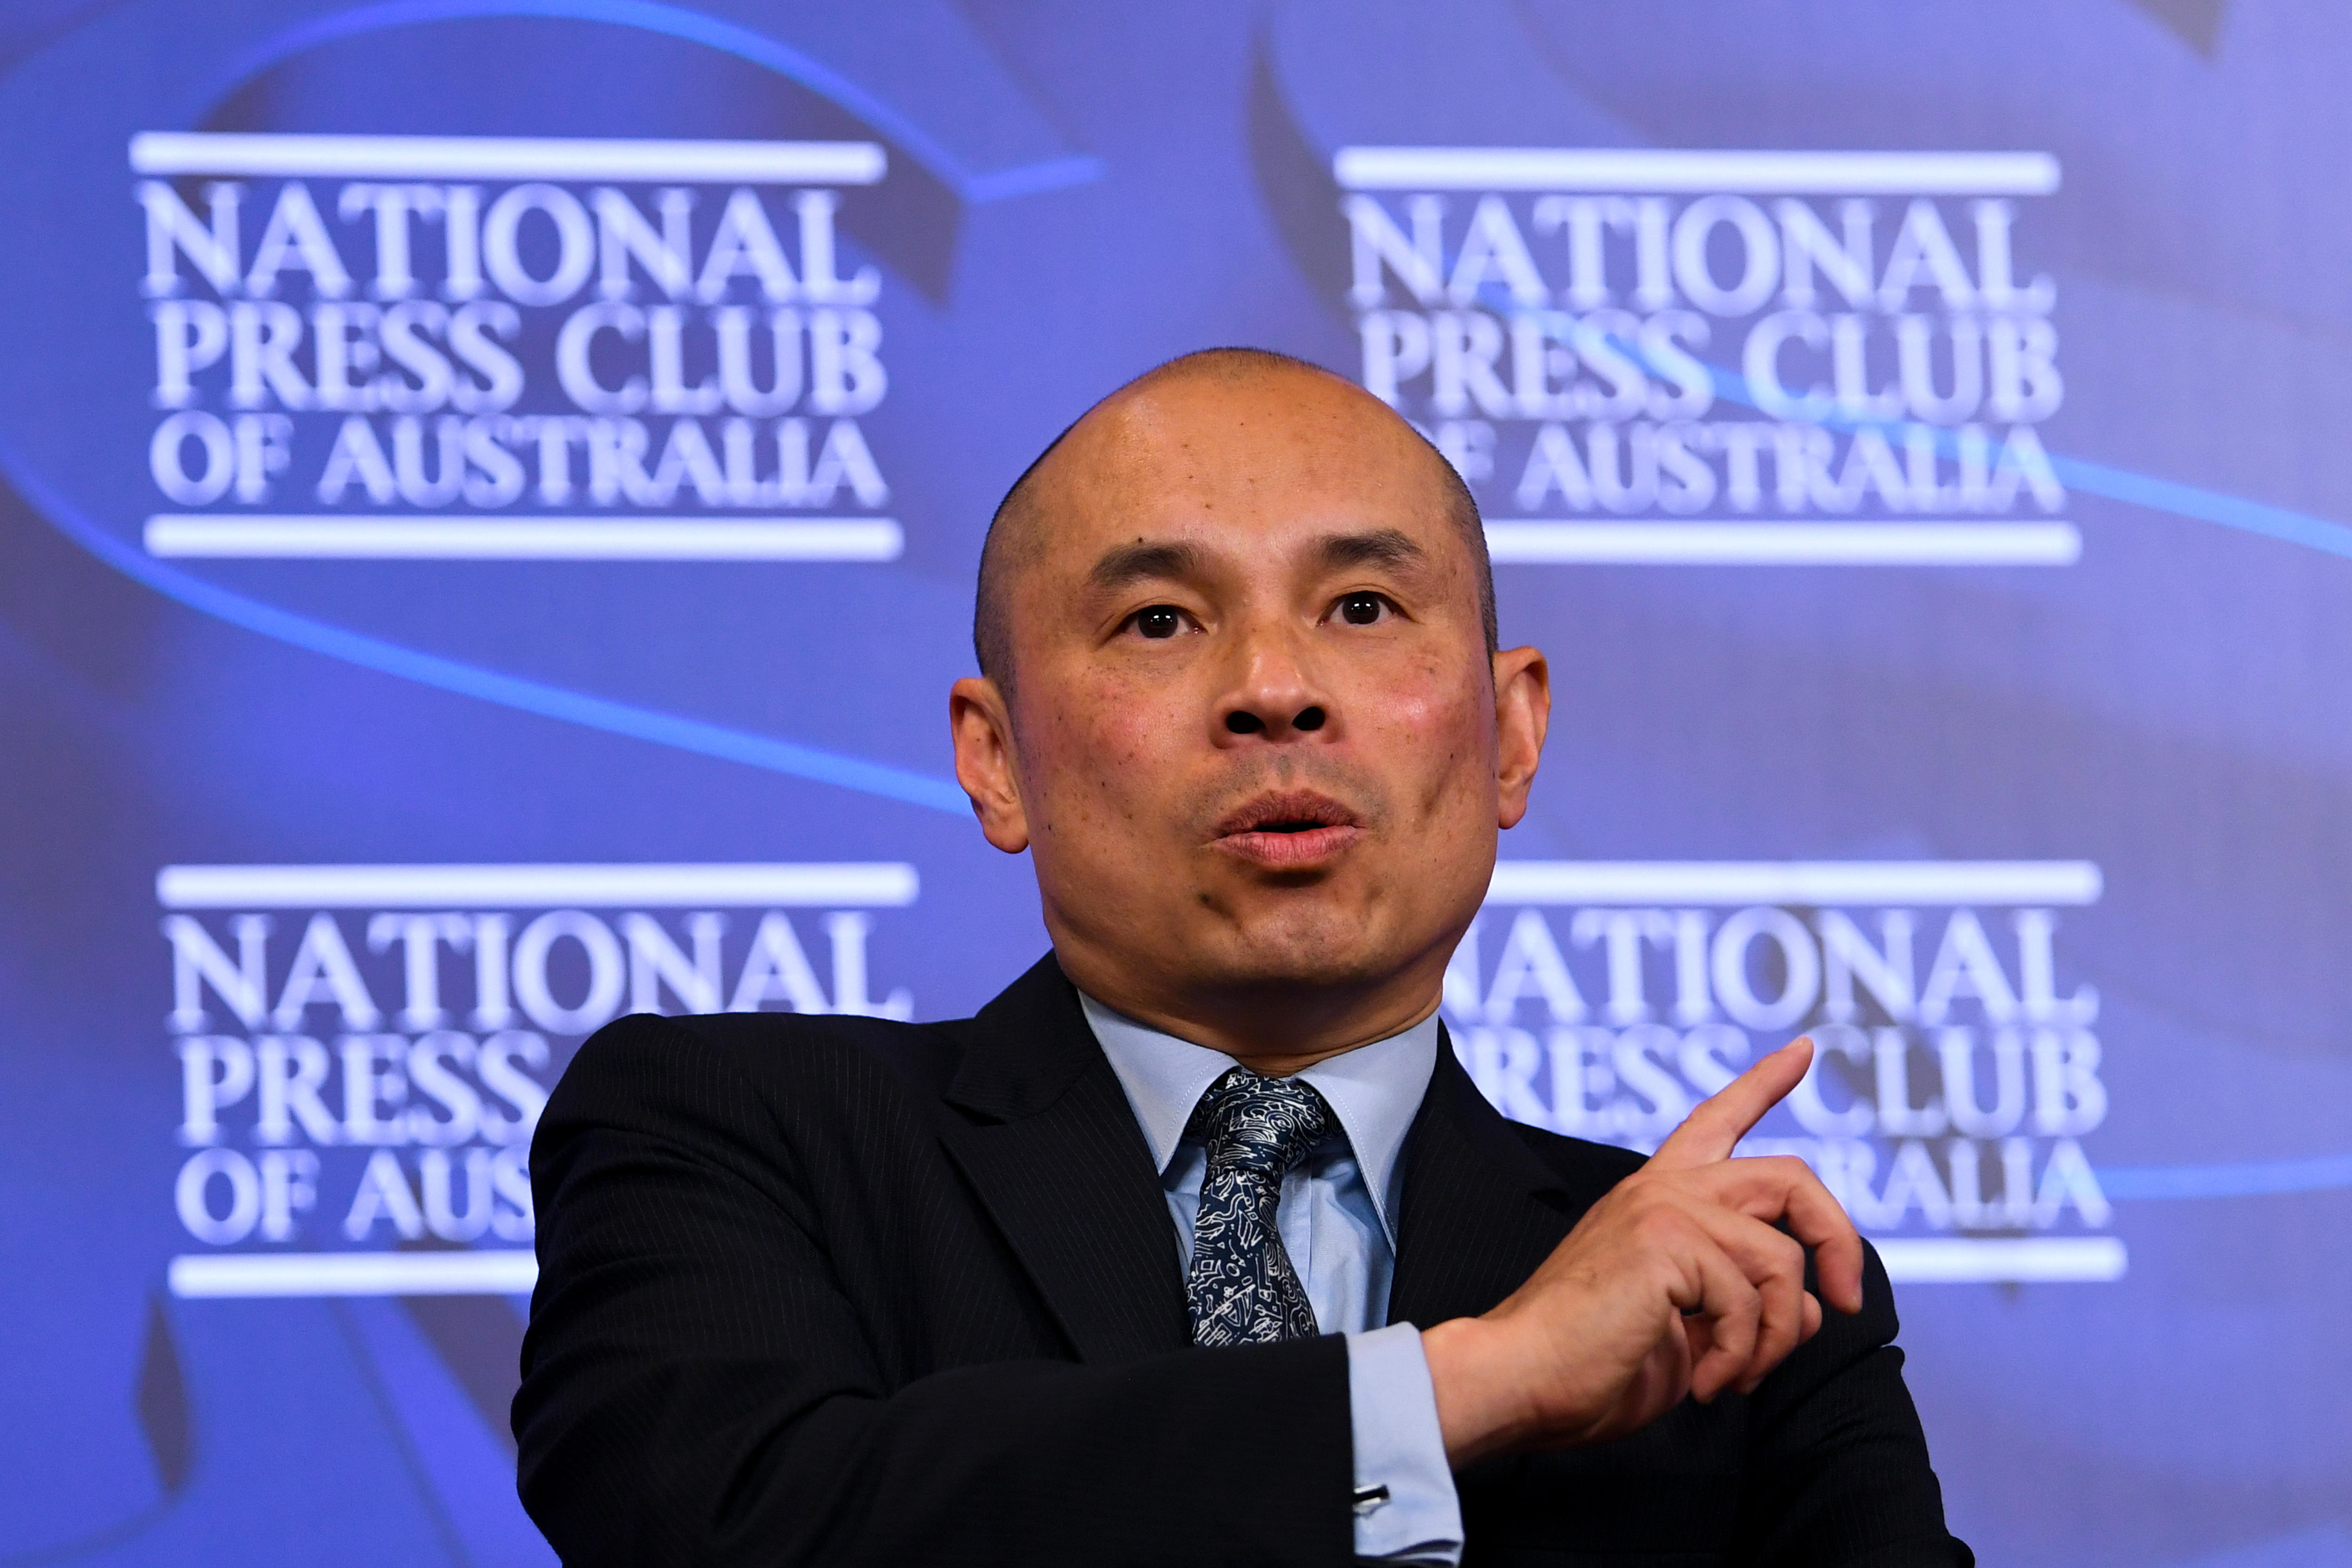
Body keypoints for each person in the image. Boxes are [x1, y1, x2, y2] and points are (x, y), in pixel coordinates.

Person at [513, 348, 1971, 1566]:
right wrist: (1465, 1386)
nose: (1275, 690)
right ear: (997, 758)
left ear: (1512, 733)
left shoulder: (1733, 1297)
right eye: (1160, 619)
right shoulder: (741, 1133)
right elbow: (729, 1523)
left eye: (1362, 609)